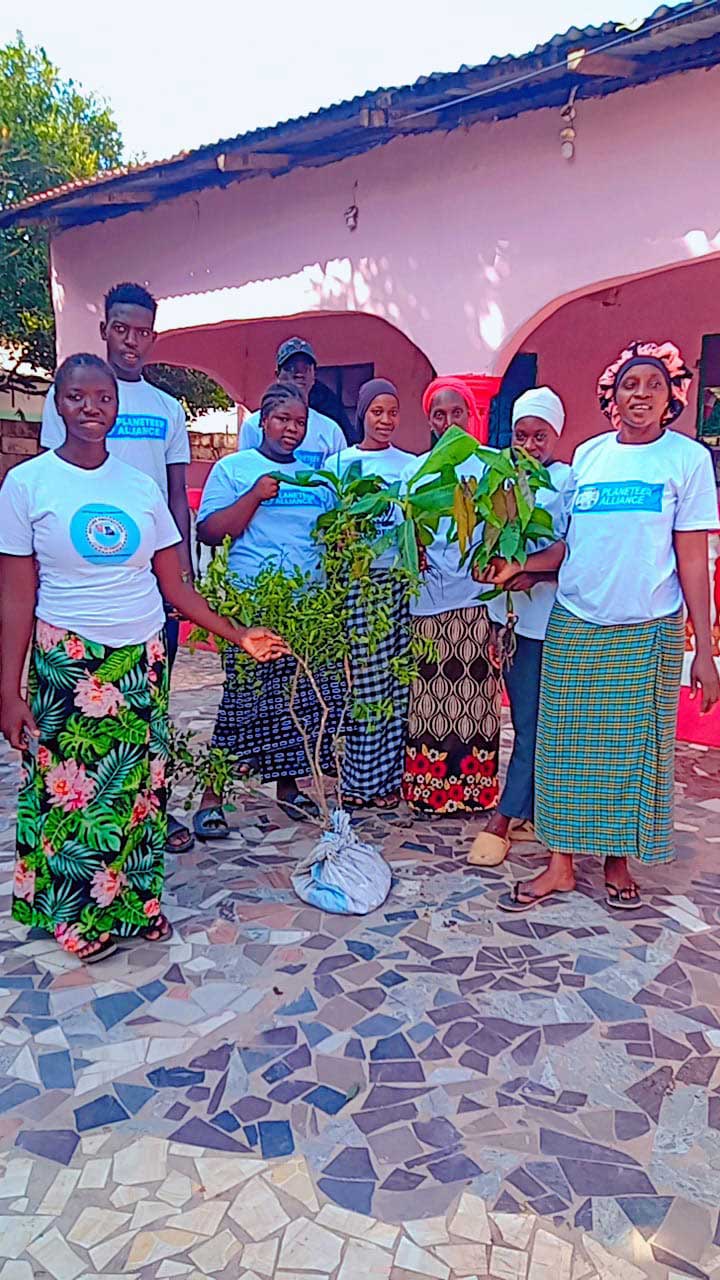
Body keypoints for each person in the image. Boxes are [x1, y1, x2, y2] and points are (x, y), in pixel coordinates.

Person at [0, 354, 286, 963]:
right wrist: (9, 688)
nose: (91, 409)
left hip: (140, 659)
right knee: (75, 794)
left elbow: (175, 585)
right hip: (68, 661)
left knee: (138, 789)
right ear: (59, 403)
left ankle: (137, 905)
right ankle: (79, 917)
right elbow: (17, 595)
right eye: (77, 398)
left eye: (102, 398)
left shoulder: (140, 488)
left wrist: (238, 635)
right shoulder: (28, 485)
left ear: (116, 404)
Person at [482, 341, 720, 912]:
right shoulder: (588, 457)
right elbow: (571, 545)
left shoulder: (686, 461)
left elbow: (692, 558)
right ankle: (559, 866)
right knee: (562, 748)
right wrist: (523, 567)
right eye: (629, 386)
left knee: (633, 749)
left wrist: (705, 650)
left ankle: (617, 860)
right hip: (577, 621)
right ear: (612, 398)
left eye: (654, 386)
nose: (640, 395)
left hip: (648, 627)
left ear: (671, 399)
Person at [40, 282, 195, 855]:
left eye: (142, 332)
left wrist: (184, 567)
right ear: (105, 330)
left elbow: (178, 492)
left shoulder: (166, 409)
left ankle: (158, 807)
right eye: (121, 329)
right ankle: (81, 812)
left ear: (153, 337)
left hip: (152, 573)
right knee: (82, 709)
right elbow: (54, 481)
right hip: (82, 581)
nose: (131, 341)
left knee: (154, 697)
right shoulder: (76, 396)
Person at [196, 382, 341, 835]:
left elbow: (329, 536)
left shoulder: (315, 477)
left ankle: (289, 789)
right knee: (242, 704)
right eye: (282, 420)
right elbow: (210, 530)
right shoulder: (235, 469)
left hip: (307, 607)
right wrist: (255, 496)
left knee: (296, 703)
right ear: (262, 422)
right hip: (253, 606)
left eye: (299, 422)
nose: (291, 430)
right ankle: (210, 798)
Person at [467, 387, 571, 865]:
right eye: (521, 436)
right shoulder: (500, 483)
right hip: (514, 622)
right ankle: (526, 813)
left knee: (547, 726)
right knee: (526, 721)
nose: (529, 446)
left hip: (561, 622)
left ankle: (506, 818)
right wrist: (496, 606)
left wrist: (527, 568)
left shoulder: (570, 481)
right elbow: (488, 553)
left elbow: (574, 550)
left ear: (557, 435)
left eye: (540, 436)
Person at [402, 375, 502, 815]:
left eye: (456, 412)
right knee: (429, 700)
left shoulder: (491, 464)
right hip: (428, 601)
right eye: (439, 415)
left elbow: (501, 523)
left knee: (475, 698)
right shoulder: (415, 470)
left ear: (471, 415)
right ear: (429, 421)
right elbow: (406, 532)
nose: (448, 422)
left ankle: (475, 793)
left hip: (478, 598)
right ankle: (430, 792)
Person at [328, 379, 415, 809]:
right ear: (362, 412)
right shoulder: (341, 463)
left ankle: (389, 781)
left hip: (399, 583)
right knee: (365, 684)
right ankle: (360, 780)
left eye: (393, 411)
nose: (385, 420)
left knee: (397, 685)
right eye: (377, 411)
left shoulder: (411, 465)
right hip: (359, 585)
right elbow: (329, 528)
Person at [238, 338, 348, 464]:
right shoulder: (252, 425)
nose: (299, 374)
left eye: (306, 368)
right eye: (290, 368)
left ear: (314, 376)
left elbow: (341, 479)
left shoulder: (331, 431)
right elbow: (245, 470)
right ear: (277, 375)